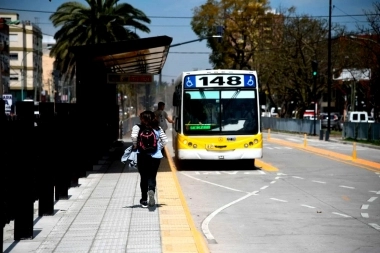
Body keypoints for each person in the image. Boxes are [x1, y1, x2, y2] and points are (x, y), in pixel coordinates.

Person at [131, 110, 168, 207]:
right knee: (152, 176)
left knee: (143, 177)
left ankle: (144, 200)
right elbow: (165, 140)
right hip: (155, 156)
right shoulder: (157, 128)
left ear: (142, 119)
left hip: (142, 155)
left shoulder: (137, 127)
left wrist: (135, 146)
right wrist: (158, 148)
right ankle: (151, 190)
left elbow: (134, 137)